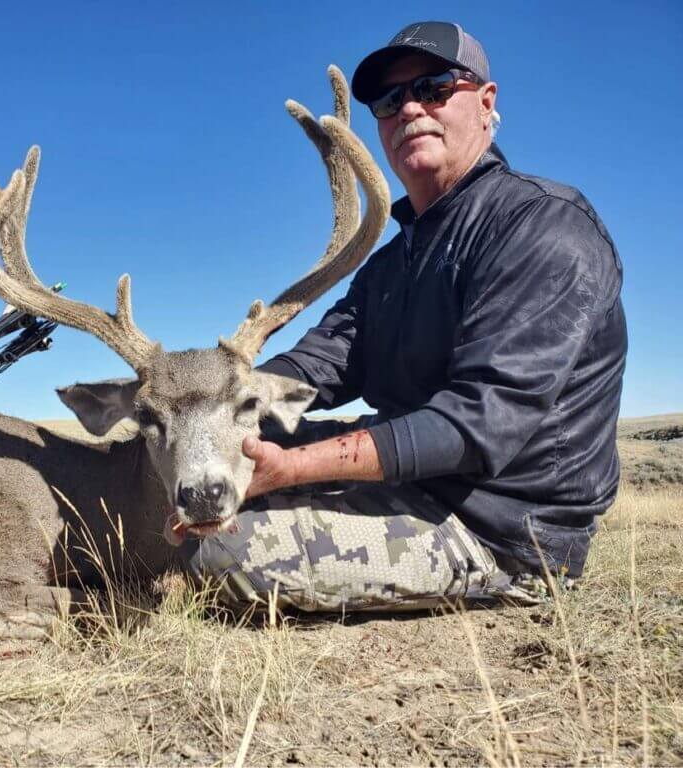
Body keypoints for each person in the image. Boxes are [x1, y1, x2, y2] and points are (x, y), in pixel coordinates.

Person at [179, 21, 628, 612]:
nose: (410, 107)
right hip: (415, 483)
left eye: (435, 87)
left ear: (486, 103)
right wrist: (220, 400)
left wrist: (295, 468)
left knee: (222, 555)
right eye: (389, 100)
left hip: (504, 529)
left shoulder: (544, 228)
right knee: (221, 474)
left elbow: (476, 422)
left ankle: (519, 582)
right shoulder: (393, 262)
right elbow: (322, 364)